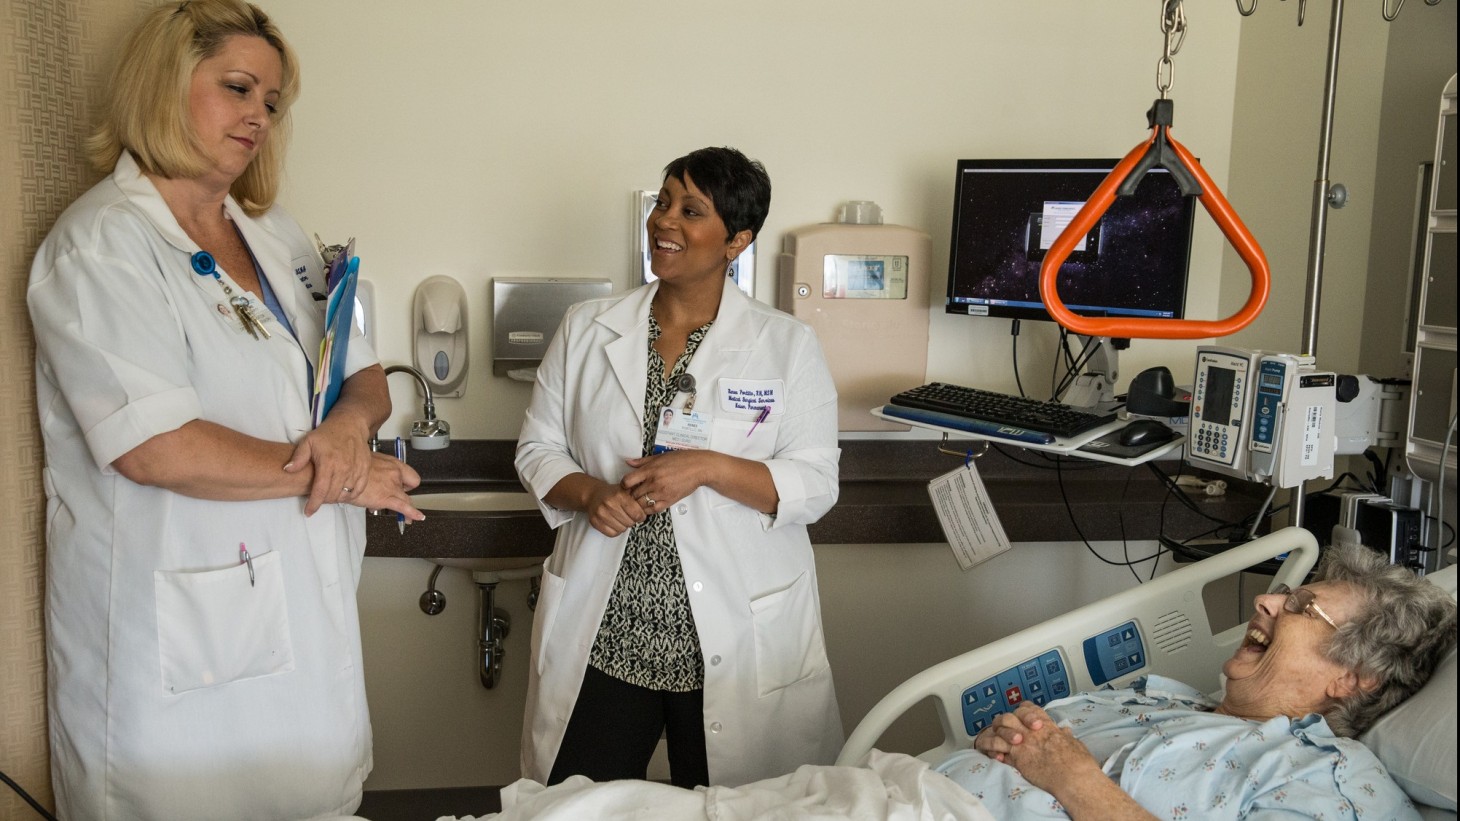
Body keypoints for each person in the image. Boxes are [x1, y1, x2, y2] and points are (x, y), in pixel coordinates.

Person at [27, 2, 423, 818]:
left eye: (272, 103)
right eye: (237, 88)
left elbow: (365, 375)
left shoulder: (277, 236)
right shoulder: (101, 245)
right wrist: (340, 476)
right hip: (175, 672)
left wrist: (348, 431)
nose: (259, 116)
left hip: (303, 647)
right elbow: (156, 447)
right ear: (165, 86)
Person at [514, 146, 843, 789]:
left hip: (734, 628)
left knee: (747, 805)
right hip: (611, 627)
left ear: (737, 241)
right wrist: (588, 495)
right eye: (663, 203)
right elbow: (538, 448)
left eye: (691, 211)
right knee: (581, 803)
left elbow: (817, 481)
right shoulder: (587, 329)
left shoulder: (786, 345)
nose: (665, 222)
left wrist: (709, 468)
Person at [945, 543, 1457, 820]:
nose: (1268, 601)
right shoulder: (1161, 698)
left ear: (1351, 677)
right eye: (1284, 592)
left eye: (1301, 607)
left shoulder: (1332, 783)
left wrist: (1073, 778)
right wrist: (1006, 741)